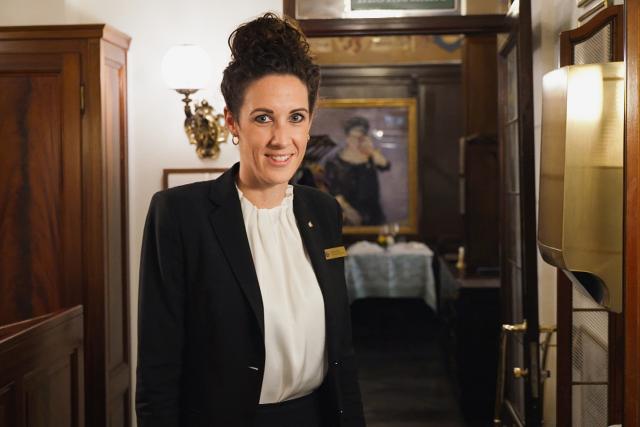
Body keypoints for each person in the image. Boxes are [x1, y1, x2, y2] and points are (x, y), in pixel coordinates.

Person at [136, 13, 366, 427]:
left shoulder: (322, 211)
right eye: (263, 118)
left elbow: (341, 350)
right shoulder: (180, 215)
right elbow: (158, 369)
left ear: (310, 122)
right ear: (232, 122)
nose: (282, 139)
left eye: (296, 117)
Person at [324, 116, 390, 226]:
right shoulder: (334, 162)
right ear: (347, 137)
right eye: (353, 137)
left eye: (360, 138)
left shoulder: (370, 156)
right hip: (348, 214)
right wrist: (349, 212)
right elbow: (333, 192)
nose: (356, 141)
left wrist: (371, 151)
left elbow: (386, 165)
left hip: (373, 213)